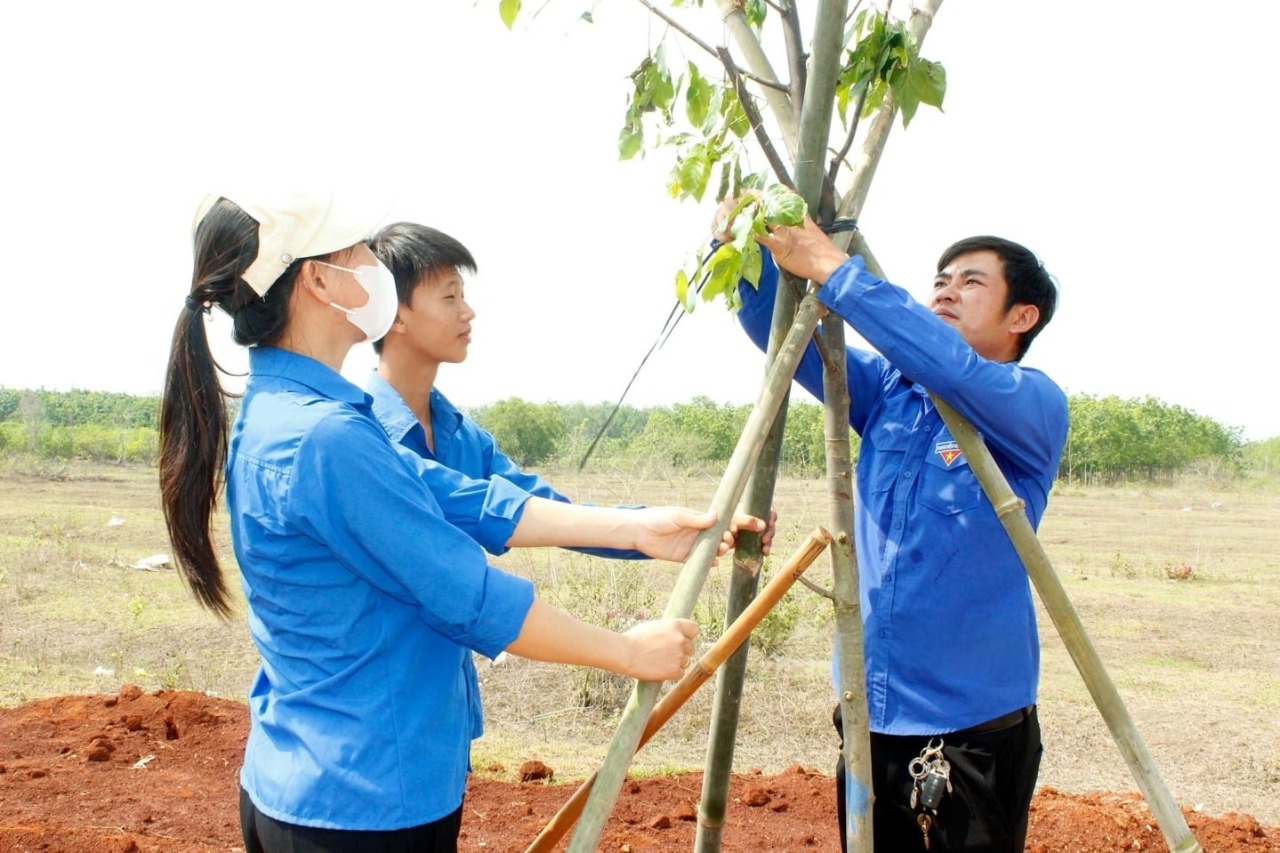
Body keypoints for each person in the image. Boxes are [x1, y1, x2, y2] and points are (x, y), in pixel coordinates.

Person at [159, 189, 765, 853]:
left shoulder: (289, 412)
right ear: (319, 280)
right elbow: (468, 596)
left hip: (313, 781)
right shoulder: (328, 438)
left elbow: (458, 496)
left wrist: (637, 528)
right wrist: (626, 651)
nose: (373, 264)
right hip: (363, 803)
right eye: (356, 251)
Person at [722, 212, 1068, 852]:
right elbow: (781, 337)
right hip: (870, 710)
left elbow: (952, 370)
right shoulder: (890, 393)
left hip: (974, 727)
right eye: (939, 279)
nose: (944, 290)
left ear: (1021, 318)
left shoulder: (1030, 403)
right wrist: (739, 243)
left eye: (971, 283)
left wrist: (830, 268)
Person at [364, 221, 776, 562]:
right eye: (450, 296)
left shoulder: (463, 437)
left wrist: (698, 526)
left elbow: (552, 512)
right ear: (395, 315)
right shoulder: (358, 438)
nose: (467, 312)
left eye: (464, 295)